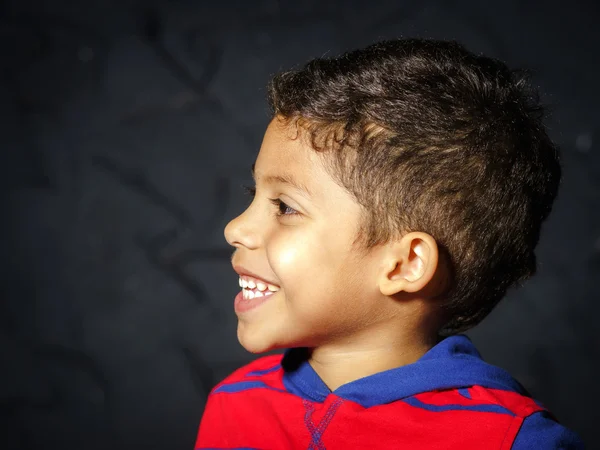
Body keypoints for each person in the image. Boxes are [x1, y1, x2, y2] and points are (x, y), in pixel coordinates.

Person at [195, 38, 584, 449]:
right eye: (252, 193)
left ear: (405, 264)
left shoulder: (515, 440)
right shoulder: (234, 403)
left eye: (285, 207)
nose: (236, 228)